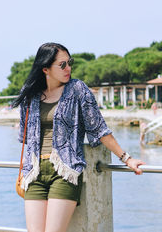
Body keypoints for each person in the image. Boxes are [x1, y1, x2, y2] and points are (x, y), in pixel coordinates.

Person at [12, 42, 145, 232]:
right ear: (45, 69)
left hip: (65, 171)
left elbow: (99, 129)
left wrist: (127, 159)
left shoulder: (77, 90)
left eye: (69, 62)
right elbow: (26, 136)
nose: (69, 68)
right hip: (34, 173)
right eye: (62, 64)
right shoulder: (31, 94)